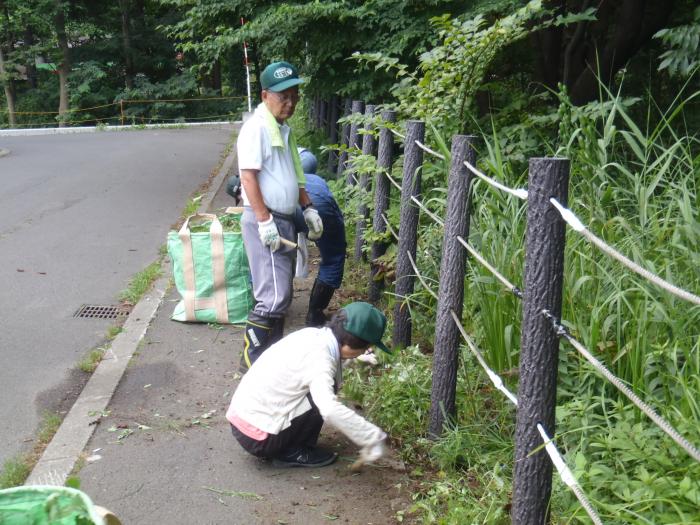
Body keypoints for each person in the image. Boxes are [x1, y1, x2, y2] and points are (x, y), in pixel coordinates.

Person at [236, 61, 324, 370]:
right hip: (267, 219)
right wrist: (264, 221)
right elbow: (248, 177)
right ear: (264, 95)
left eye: (294, 95)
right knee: (272, 298)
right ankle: (253, 363)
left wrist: (308, 206)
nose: (290, 103)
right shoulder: (257, 128)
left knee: (281, 296)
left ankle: (270, 364)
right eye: (283, 96)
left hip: (283, 218)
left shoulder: (282, 129)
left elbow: (293, 171)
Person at [226, 302, 389, 467]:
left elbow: (328, 359)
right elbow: (329, 408)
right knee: (325, 391)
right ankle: (291, 452)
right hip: (259, 437)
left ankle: (288, 444)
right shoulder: (320, 359)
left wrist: (358, 358)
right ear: (352, 344)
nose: (364, 351)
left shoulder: (313, 335)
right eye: (365, 348)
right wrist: (372, 437)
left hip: (243, 419)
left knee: (323, 385)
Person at [293, 148, 347, 327]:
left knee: (278, 254)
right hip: (318, 205)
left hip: (282, 204)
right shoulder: (315, 179)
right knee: (333, 257)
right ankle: (314, 314)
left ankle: (270, 308)